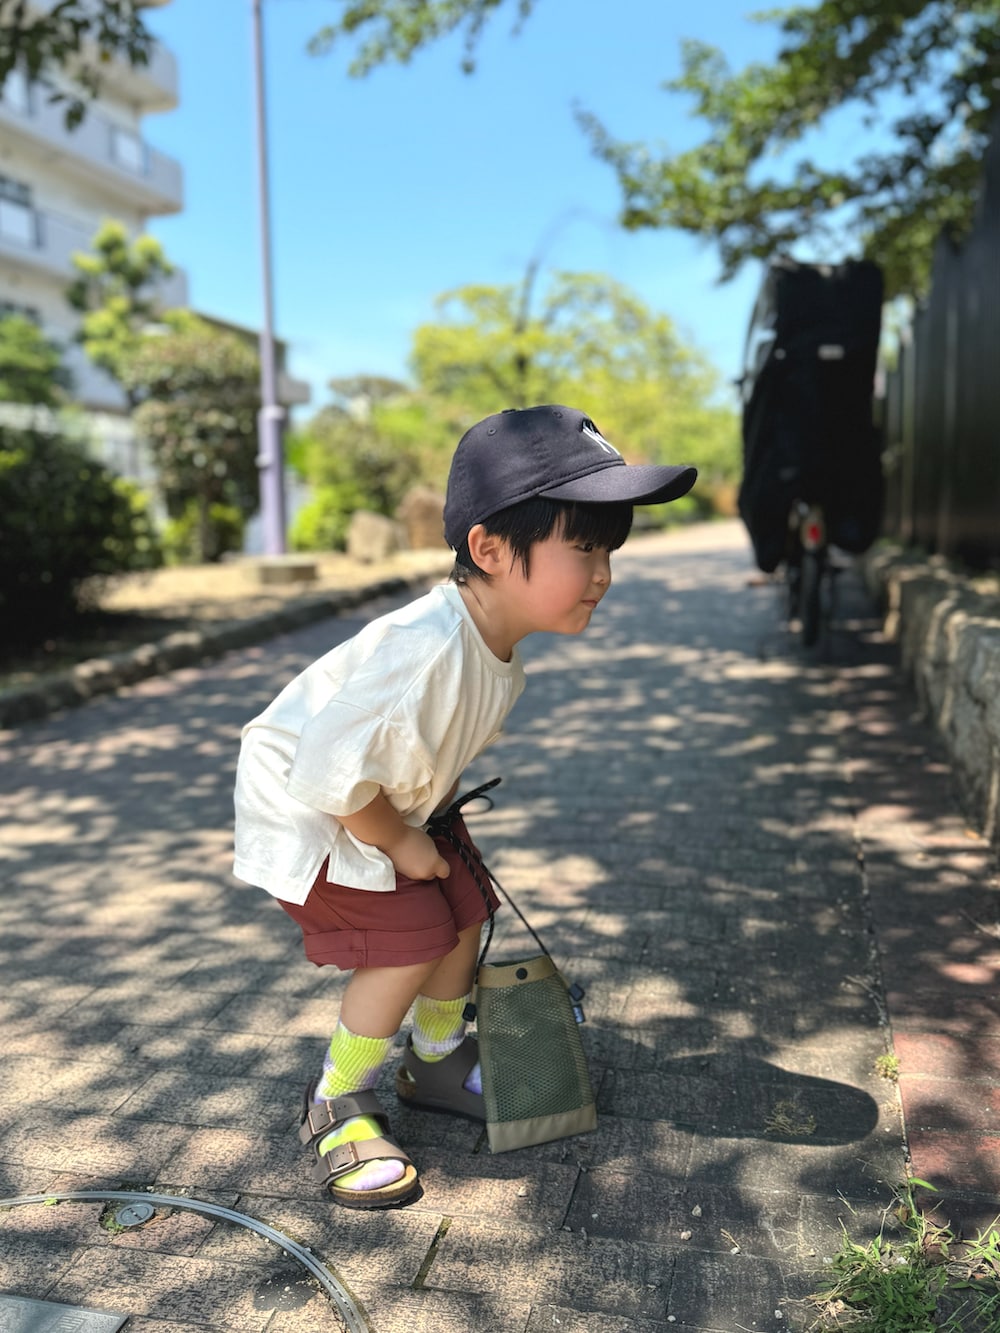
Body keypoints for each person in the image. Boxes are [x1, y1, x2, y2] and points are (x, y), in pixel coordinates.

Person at [232, 404, 697, 1209]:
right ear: (487, 548)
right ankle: (336, 1101)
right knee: (410, 938)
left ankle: (436, 1057)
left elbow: (415, 750)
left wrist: (430, 821)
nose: (602, 574)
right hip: (310, 813)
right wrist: (397, 838)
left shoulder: (493, 646)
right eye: (582, 546)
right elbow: (327, 764)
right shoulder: (430, 650)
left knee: (464, 908)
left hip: (376, 800)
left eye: (608, 550)